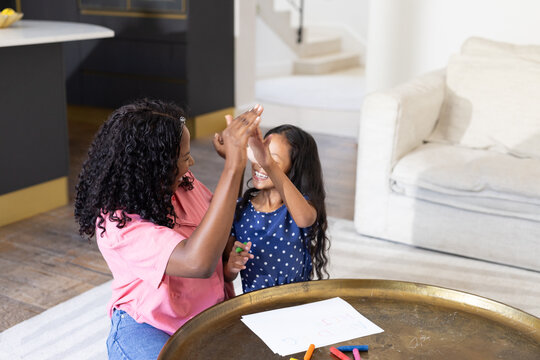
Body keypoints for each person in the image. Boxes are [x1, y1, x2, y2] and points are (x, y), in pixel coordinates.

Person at [74, 98, 263, 360]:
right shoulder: (119, 223)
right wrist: (234, 164)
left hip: (205, 313)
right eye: (184, 157)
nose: (191, 163)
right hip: (151, 326)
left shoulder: (180, 180)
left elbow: (220, 221)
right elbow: (198, 262)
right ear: (154, 167)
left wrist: (235, 166)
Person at [223, 124, 329, 293]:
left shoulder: (298, 207)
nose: (260, 163)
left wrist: (268, 163)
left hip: (296, 304)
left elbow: (305, 219)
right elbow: (227, 274)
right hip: (254, 307)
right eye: (259, 154)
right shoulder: (240, 209)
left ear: (294, 168)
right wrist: (232, 266)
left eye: (272, 159)